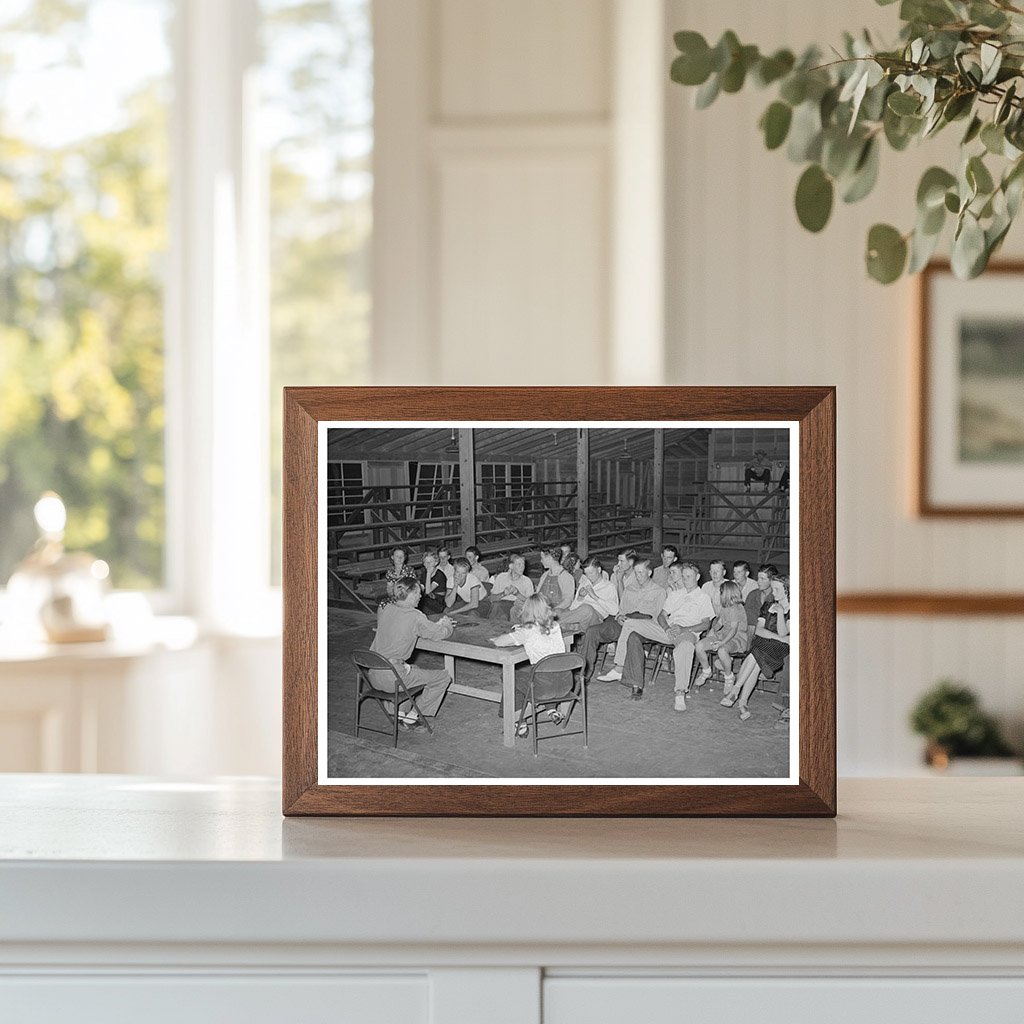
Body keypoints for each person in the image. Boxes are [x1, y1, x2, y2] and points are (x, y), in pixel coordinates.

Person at [601, 561, 713, 707]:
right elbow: (661, 615)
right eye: (684, 577)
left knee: (685, 647)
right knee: (629, 622)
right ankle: (619, 667)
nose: (686, 580)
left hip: (687, 632)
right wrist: (666, 628)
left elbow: (706, 624)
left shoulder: (703, 597)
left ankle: (680, 692)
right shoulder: (676, 594)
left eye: (689, 576)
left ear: (697, 577)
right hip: (667, 629)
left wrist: (684, 630)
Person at [369, 578, 454, 729]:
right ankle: (414, 716)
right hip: (394, 678)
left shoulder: (384, 608)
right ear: (411, 594)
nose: (420, 596)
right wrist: (446, 624)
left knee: (414, 669)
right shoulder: (415, 616)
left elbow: (397, 627)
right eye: (418, 593)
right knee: (443, 678)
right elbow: (439, 634)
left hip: (373, 674)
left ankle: (399, 714)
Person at [491, 594, 572, 735]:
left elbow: (500, 642)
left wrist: (499, 638)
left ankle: (518, 721)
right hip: (565, 684)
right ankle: (551, 708)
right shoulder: (555, 626)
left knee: (510, 677)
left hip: (543, 689)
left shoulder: (527, 631)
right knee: (543, 671)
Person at [583, 556, 665, 682]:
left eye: (641, 572)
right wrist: (620, 616)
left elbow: (657, 617)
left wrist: (631, 620)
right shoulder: (630, 589)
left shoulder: (659, 591)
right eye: (636, 573)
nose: (638, 576)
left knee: (630, 625)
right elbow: (621, 610)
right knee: (592, 631)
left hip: (643, 626)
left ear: (649, 572)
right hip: (624, 621)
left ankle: (619, 668)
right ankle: (584, 674)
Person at [723, 575, 790, 721]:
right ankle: (742, 702)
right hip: (767, 641)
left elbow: (784, 631)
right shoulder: (767, 605)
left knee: (755, 655)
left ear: (787, 590)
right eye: (773, 588)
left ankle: (736, 690)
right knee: (756, 657)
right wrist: (780, 637)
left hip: (779, 649)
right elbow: (759, 630)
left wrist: (779, 612)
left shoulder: (793, 609)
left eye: (778, 589)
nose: (774, 592)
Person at [693, 580, 749, 692]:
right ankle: (706, 670)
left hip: (737, 638)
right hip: (723, 635)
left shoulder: (737, 608)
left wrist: (721, 643)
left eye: (721, 592)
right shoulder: (725, 607)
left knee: (722, 650)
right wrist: (712, 632)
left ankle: (729, 677)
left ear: (728, 593)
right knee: (699, 646)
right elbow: (720, 623)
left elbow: (733, 630)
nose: (720, 595)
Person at [557, 555, 619, 632]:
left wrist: (595, 597)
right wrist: (580, 598)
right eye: (586, 573)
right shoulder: (584, 583)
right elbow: (573, 608)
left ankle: (553, 622)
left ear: (599, 569)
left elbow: (615, 611)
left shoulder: (609, 586)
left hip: (596, 619)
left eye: (591, 573)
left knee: (587, 609)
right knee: (558, 610)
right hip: (578, 615)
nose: (589, 576)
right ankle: (572, 626)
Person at [486, 553, 534, 620]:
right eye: (519, 564)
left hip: (517, 606)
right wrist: (504, 593)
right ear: (511, 566)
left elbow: (532, 603)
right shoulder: (501, 577)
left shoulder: (527, 581)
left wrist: (517, 593)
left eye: (523, 565)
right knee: (498, 608)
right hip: (501, 605)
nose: (522, 567)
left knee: (513, 610)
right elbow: (492, 599)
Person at [535, 547, 575, 613]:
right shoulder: (544, 575)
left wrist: (552, 611)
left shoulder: (565, 577)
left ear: (550, 558)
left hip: (557, 612)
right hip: (541, 611)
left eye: (542, 558)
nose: (541, 561)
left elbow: (567, 601)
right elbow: (537, 594)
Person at [745, 563, 778, 631]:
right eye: (758, 578)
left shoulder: (777, 597)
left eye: (762, 579)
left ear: (772, 581)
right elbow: (747, 618)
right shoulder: (753, 595)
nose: (758, 582)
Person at [418, 547, 448, 617]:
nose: (428, 564)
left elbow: (428, 591)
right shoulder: (424, 574)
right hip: (428, 599)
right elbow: (422, 588)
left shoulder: (439, 575)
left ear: (436, 563)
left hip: (439, 601)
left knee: (424, 602)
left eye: (431, 562)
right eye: (426, 562)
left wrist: (428, 574)